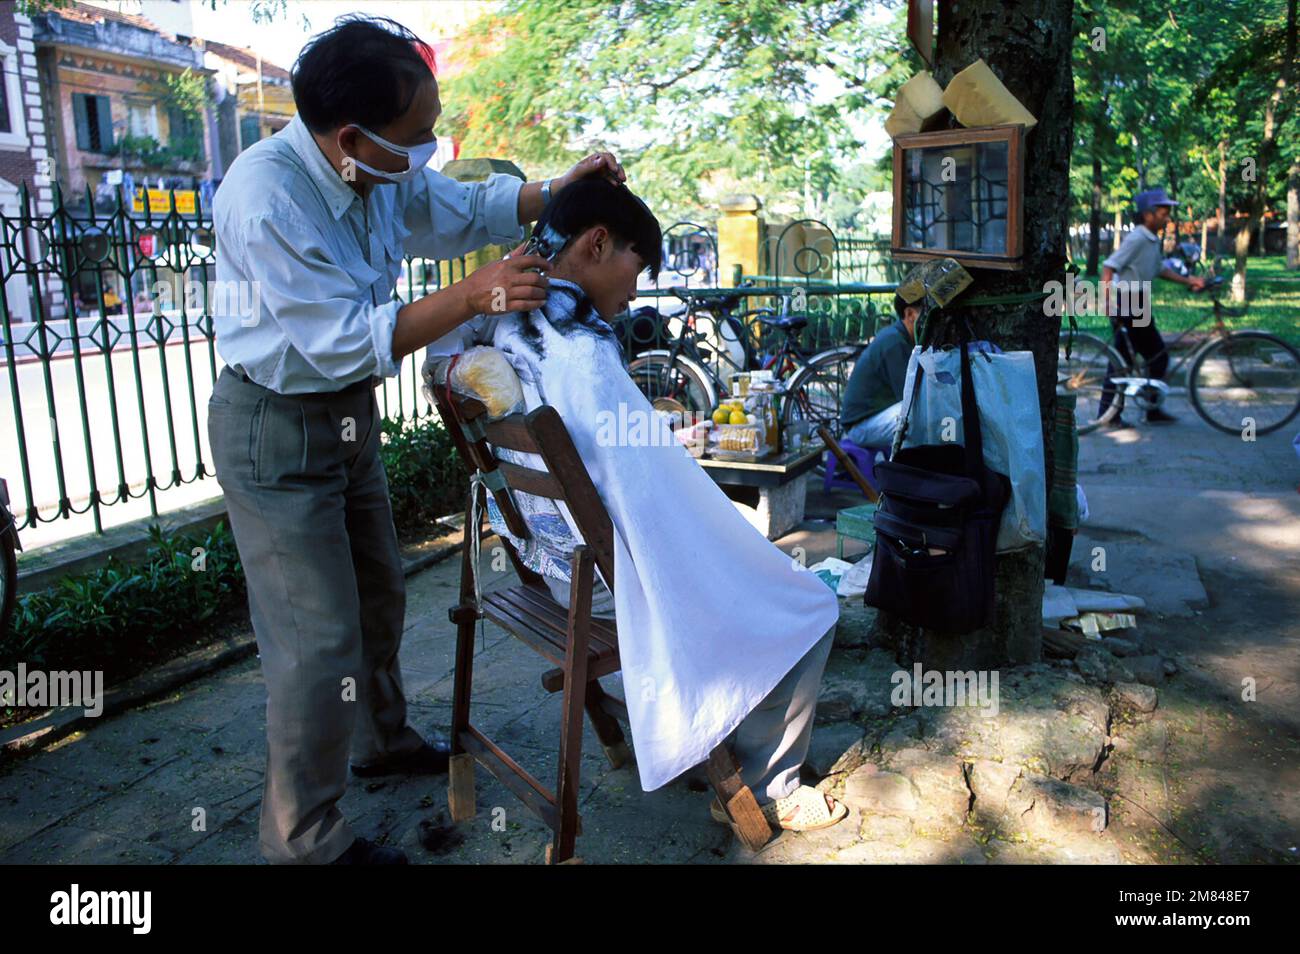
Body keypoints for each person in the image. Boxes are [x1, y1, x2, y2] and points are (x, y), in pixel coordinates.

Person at [207, 15, 627, 866]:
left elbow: (460, 206)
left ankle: (380, 740)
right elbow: (335, 340)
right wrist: (475, 298)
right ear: (352, 138)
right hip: (275, 426)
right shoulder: (267, 198)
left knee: (377, 596)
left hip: (346, 416)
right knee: (315, 639)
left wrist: (557, 191)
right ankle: (304, 840)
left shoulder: (376, 169)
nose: (428, 150)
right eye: (419, 136)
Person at [424, 178, 848, 834]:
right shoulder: (583, 351)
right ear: (597, 243)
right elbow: (653, 514)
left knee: (737, 553)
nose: (635, 289)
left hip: (553, 569)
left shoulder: (498, 315)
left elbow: (623, 477)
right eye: (637, 265)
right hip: (606, 586)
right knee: (808, 606)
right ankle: (768, 788)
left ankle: (705, 728)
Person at [1099, 187, 1206, 427]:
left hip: (1139, 301)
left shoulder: (1151, 239)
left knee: (1148, 358)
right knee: (1133, 360)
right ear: (1148, 215)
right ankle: (1113, 414)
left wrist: (1189, 280)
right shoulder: (1137, 237)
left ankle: (1144, 410)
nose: (1167, 218)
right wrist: (1106, 301)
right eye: (1163, 213)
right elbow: (1109, 267)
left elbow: (1160, 270)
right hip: (1128, 302)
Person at [839, 292, 920, 449]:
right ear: (909, 313)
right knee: (917, 416)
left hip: (873, 418)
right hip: (860, 427)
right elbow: (910, 398)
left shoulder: (899, 337)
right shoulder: (895, 342)